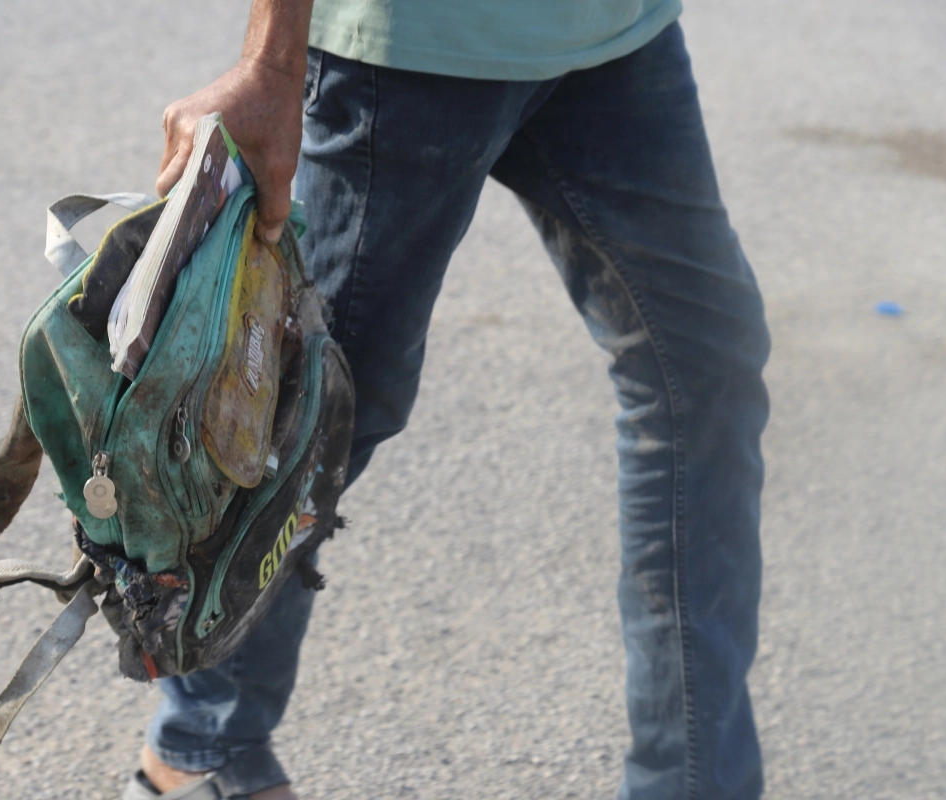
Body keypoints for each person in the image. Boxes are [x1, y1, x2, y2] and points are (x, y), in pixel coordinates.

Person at [127, 1, 771, 798]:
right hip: (416, 49)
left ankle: (696, 783)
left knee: (703, 376)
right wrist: (270, 62)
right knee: (313, 415)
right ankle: (201, 751)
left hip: (613, 33)